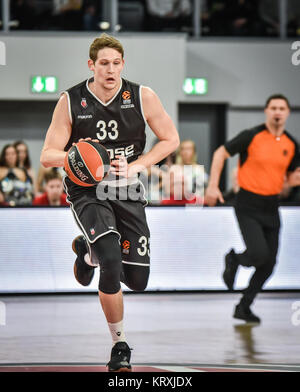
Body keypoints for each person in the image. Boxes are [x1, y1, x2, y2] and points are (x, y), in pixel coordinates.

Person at [40, 33, 180, 372]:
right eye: (104, 63)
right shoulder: (71, 100)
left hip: (127, 188)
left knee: (137, 281)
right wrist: (76, 155)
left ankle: (86, 252)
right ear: (92, 65)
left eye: (117, 63)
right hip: (87, 189)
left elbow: (171, 139)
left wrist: (136, 165)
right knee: (112, 260)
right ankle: (119, 345)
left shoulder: (142, 95)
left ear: (123, 65)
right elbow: (47, 155)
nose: (111, 70)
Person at [205, 94, 300, 323]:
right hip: (248, 203)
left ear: (287, 113)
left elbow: (289, 180)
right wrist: (212, 185)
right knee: (258, 254)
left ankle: (243, 307)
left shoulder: (291, 144)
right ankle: (235, 259)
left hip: (271, 205)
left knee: (268, 264)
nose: (277, 112)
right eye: (273, 108)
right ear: (266, 111)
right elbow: (221, 153)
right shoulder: (252, 136)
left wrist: (291, 183)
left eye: (282, 108)